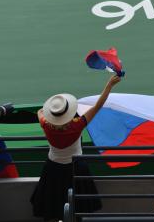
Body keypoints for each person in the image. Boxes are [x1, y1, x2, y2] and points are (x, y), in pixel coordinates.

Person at [31, 75, 121, 221]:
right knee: (78, 206)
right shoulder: (77, 125)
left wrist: (47, 112)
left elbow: (40, 112)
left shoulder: (46, 124)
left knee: (53, 204)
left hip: (52, 168)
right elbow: (98, 105)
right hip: (76, 168)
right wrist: (109, 85)